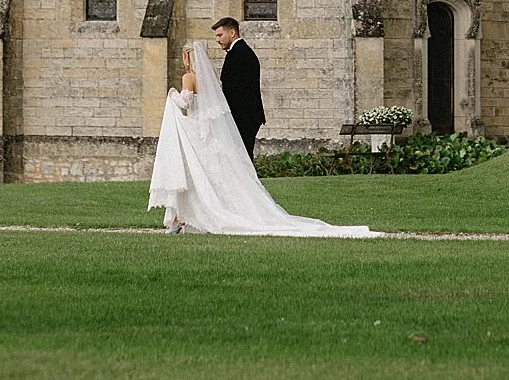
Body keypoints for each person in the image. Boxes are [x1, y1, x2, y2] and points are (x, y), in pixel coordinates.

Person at [148, 42, 376, 238]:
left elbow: (186, 103)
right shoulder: (208, 82)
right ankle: (182, 219)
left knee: (193, 175)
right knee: (203, 176)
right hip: (205, 133)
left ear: (188, 57)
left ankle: (183, 219)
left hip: (196, 132)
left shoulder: (189, 77)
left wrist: (171, 94)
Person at [214, 17, 266, 156]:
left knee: (243, 157)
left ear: (232, 33)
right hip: (245, 114)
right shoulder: (239, 51)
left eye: (220, 35)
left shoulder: (239, 53)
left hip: (243, 115)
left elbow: (235, 89)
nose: (217, 40)